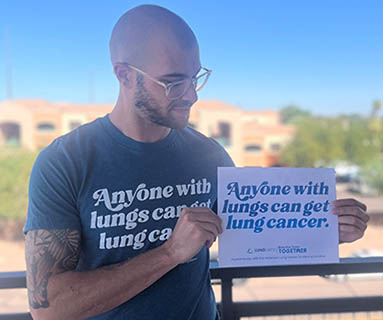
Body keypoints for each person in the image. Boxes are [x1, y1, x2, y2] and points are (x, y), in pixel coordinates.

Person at [24, 5, 369, 320]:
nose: (191, 95)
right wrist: (170, 253)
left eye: (195, 76)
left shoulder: (209, 155)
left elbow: (252, 240)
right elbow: (49, 309)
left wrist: (323, 233)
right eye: (173, 82)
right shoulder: (64, 162)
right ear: (125, 75)